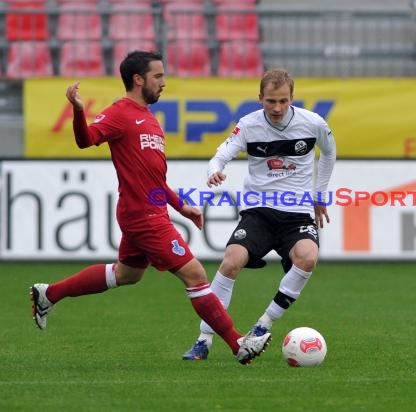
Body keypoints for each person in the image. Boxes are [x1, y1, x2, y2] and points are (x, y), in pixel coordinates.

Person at [29, 50, 271, 365]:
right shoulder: (119, 113)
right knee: (196, 274)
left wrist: (181, 207)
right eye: (158, 76)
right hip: (142, 217)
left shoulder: (150, 119)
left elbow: (154, 178)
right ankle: (238, 343)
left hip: (149, 211)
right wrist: (77, 111)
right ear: (138, 79)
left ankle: (49, 293)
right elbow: (86, 139)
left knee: (127, 274)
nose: (164, 83)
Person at [182, 68, 336, 360]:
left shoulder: (313, 123)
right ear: (259, 99)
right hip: (259, 212)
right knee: (231, 262)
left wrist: (320, 194)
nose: (277, 108)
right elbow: (221, 154)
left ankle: (263, 325)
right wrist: (215, 170)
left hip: (297, 213)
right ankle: (204, 339)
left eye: (283, 101)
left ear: (292, 98)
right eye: (270, 101)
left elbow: (329, 152)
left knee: (308, 257)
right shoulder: (248, 125)